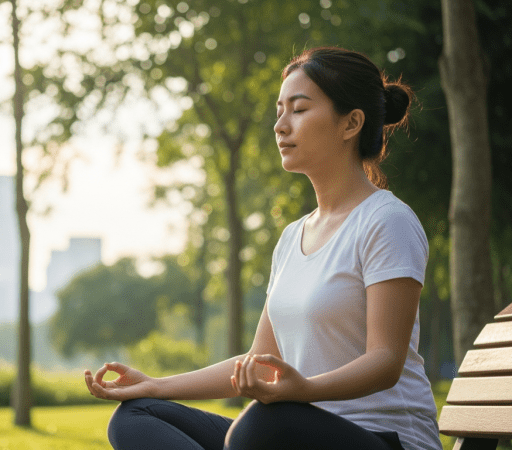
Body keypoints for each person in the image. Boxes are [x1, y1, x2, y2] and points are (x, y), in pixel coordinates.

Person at [83, 46, 442, 450]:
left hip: (386, 439)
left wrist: (302, 389)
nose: (280, 126)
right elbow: (257, 359)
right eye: (279, 112)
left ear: (351, 123)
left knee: (261, 426)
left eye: (299, 110)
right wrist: (155, 384)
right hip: (292, 428)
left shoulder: (387, 220)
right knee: (137, 415)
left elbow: (385, 361)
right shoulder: (292, 237)